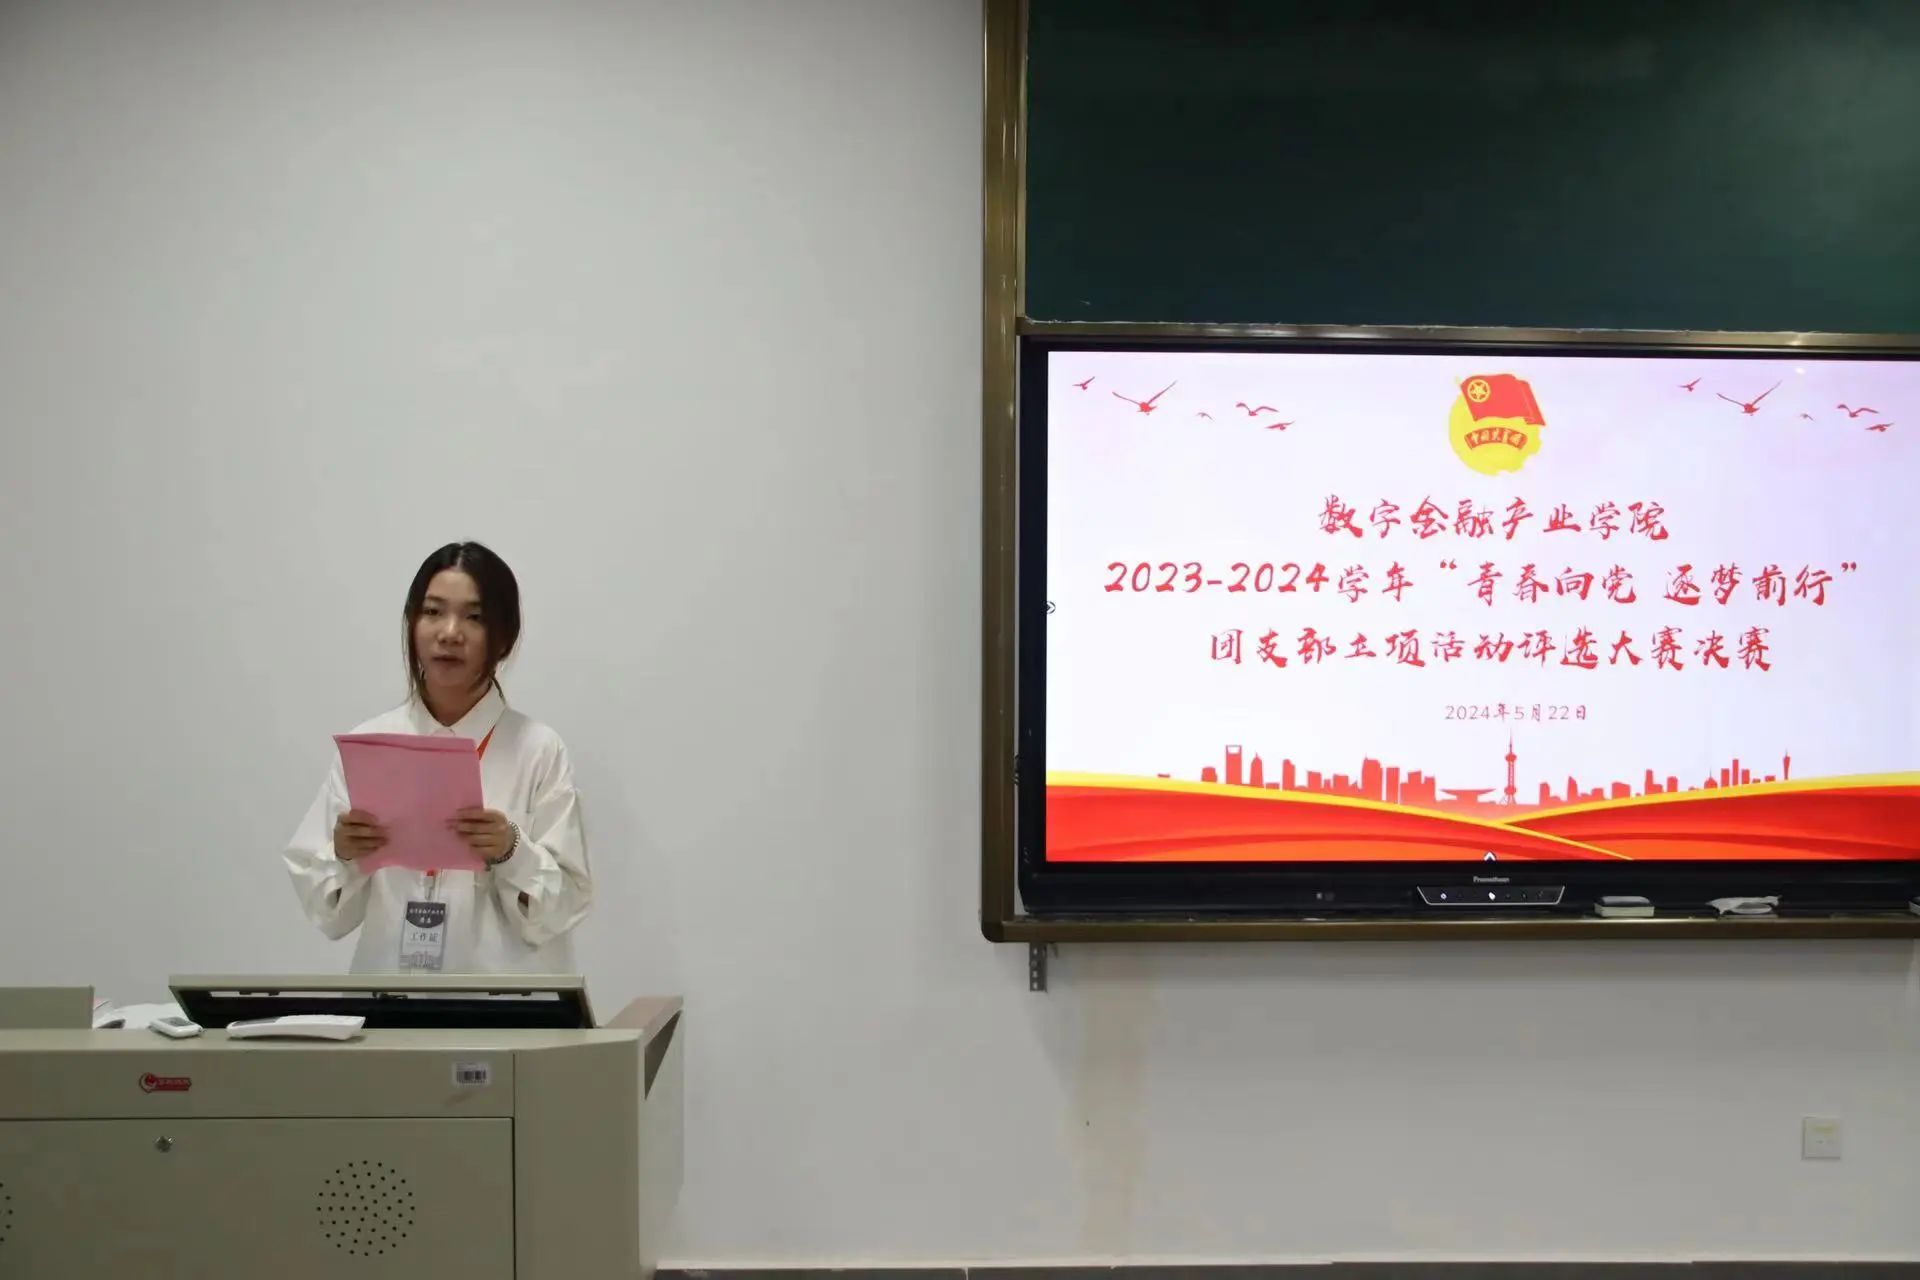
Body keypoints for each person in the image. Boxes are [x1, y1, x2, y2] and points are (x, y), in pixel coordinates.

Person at [284, 542, 591, 973]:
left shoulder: (537, 749)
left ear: (504, 637)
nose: (450, 632)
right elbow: (327, 912)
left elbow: (565, 907)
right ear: (412, 624)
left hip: (500, 1003)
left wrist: (512, 851)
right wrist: (345, 855)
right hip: (389, 996)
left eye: (474, 617)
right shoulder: (370, 744)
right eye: (432, 612)